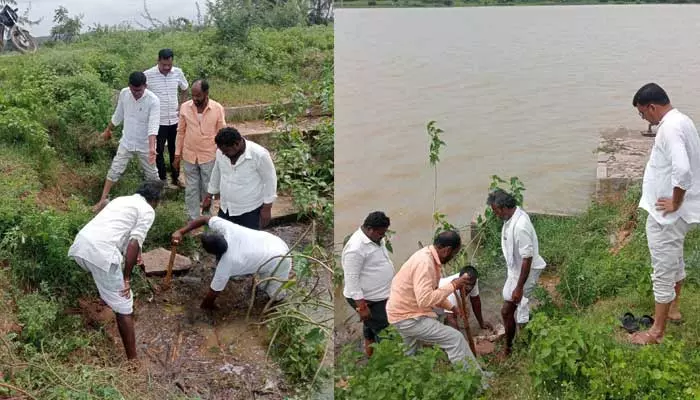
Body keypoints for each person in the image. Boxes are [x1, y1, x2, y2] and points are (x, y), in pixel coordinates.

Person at [630, 83, 700, 345]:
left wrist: (675, 201)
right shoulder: (683, 120)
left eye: (642, 113)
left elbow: (682, 171)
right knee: (675, 260)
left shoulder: (669, 128)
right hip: (676, 215)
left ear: (652, 107)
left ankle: (656, 333)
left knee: (663, 269)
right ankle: (673, 309)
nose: (644, 119)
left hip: (666, 216)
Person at [68, 181, 163, 360]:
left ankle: (106, 300)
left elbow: (121, 232)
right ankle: (133, 361)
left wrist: (137, 255)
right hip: (100, 254)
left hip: (81, 246)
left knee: (106, 275)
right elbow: (133, 242)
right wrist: (126, 278)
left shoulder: (122, 200)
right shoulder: (148, 210)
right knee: (125, 306)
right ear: (155, 200)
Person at [385, 230, 486, 373]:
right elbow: (425, 300)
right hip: (408, 316)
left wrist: (453, 308)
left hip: (400, 312)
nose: (453, 257)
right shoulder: (425, 263)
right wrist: (454, 285)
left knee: (410, 353)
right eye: (454, 254)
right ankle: (476, 381)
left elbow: (434, 292)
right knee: (455, 339)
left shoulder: (428, 257)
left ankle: (406, 382)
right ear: (447, 250)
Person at [171, 215, 291, 310]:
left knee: (275, 295)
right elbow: (204, 219)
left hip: (279, 258)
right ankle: (263, 278)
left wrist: (206, 308)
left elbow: (213, 293)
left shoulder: (228, 263)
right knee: (262, 286)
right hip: (272, 242)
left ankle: (277, 309)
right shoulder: (227, 228)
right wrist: (181, 231)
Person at [487, 188, 547, 358]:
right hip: (517, 271)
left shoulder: (520, 226)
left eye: (495, 210)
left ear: (504, 208)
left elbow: (527, 259)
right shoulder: (512, 218)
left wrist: (519, 287)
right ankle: (519, 339)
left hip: (525, 273)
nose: (495, 214)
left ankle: (512, 347)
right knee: (512, 307)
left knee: (509, 309)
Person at [93, 71, 160, 212]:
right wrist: (108, 130)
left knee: (152, 176)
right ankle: (102, 201)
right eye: (133, 90)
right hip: (127, 141)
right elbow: (118, 114)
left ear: (145, 86)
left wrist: (152, 148)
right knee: (114, 169)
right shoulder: (124, 94)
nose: (136, 93)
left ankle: (154, 205)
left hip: (145, 144)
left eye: (139, 90)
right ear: (129, 86)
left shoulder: (153, 100)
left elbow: (153, 126)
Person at [202, 127, 278, 230]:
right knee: (224, 241)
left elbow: (270, 181)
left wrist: (267, 208)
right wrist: (209, 195)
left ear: (237, 144)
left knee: (248, 243)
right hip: (225, 208)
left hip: (249, 211)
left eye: (226, 151)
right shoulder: (221, 152)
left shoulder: (259, 155)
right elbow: (217, 172)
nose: (224, 154)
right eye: (222, 151)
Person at [342, 211, 395, 357]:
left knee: (371, 325)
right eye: (380, 233)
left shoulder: (375, 238)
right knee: (386, 331)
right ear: (370, 229)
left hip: (379, 295)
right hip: (367, 299)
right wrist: (362, 307)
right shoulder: (355, 249)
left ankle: (370, 354)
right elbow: (351, 281)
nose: (383, 236)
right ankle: (386, 359)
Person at [173, 79, 227, 221]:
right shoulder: (185, 107)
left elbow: (222, 133)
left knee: (208, 188)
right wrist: (177, 154)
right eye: (193, 95)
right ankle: (193, 218)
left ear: (206, 93)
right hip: (189, 155)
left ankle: (207, 218)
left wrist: (222, 155)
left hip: (209, 155)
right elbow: (180, 132)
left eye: (198, 96)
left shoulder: (217, 108)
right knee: (191, 189)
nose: (195, 99)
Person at [144, 48, 189, 189]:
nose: (167, 68)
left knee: (174, 150)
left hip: (175, 120)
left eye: (169, 65)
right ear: (158, 61)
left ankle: (176, 178)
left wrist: (182, 105)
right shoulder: (148, 75)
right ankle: (162, 179)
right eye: (164, 65)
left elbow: (185, 88)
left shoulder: (177, 72)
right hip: (158, 121)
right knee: (157, 151)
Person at [436, 266, 493, 332]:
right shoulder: (451, 287)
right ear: (460, 280)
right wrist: (460, 338)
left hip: (442, 307)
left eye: (471, 285)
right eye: (467, 284)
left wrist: (481, 323)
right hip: (431, 308)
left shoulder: (472, 280)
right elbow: (451, 317)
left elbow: (475, 301)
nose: (469, 288)